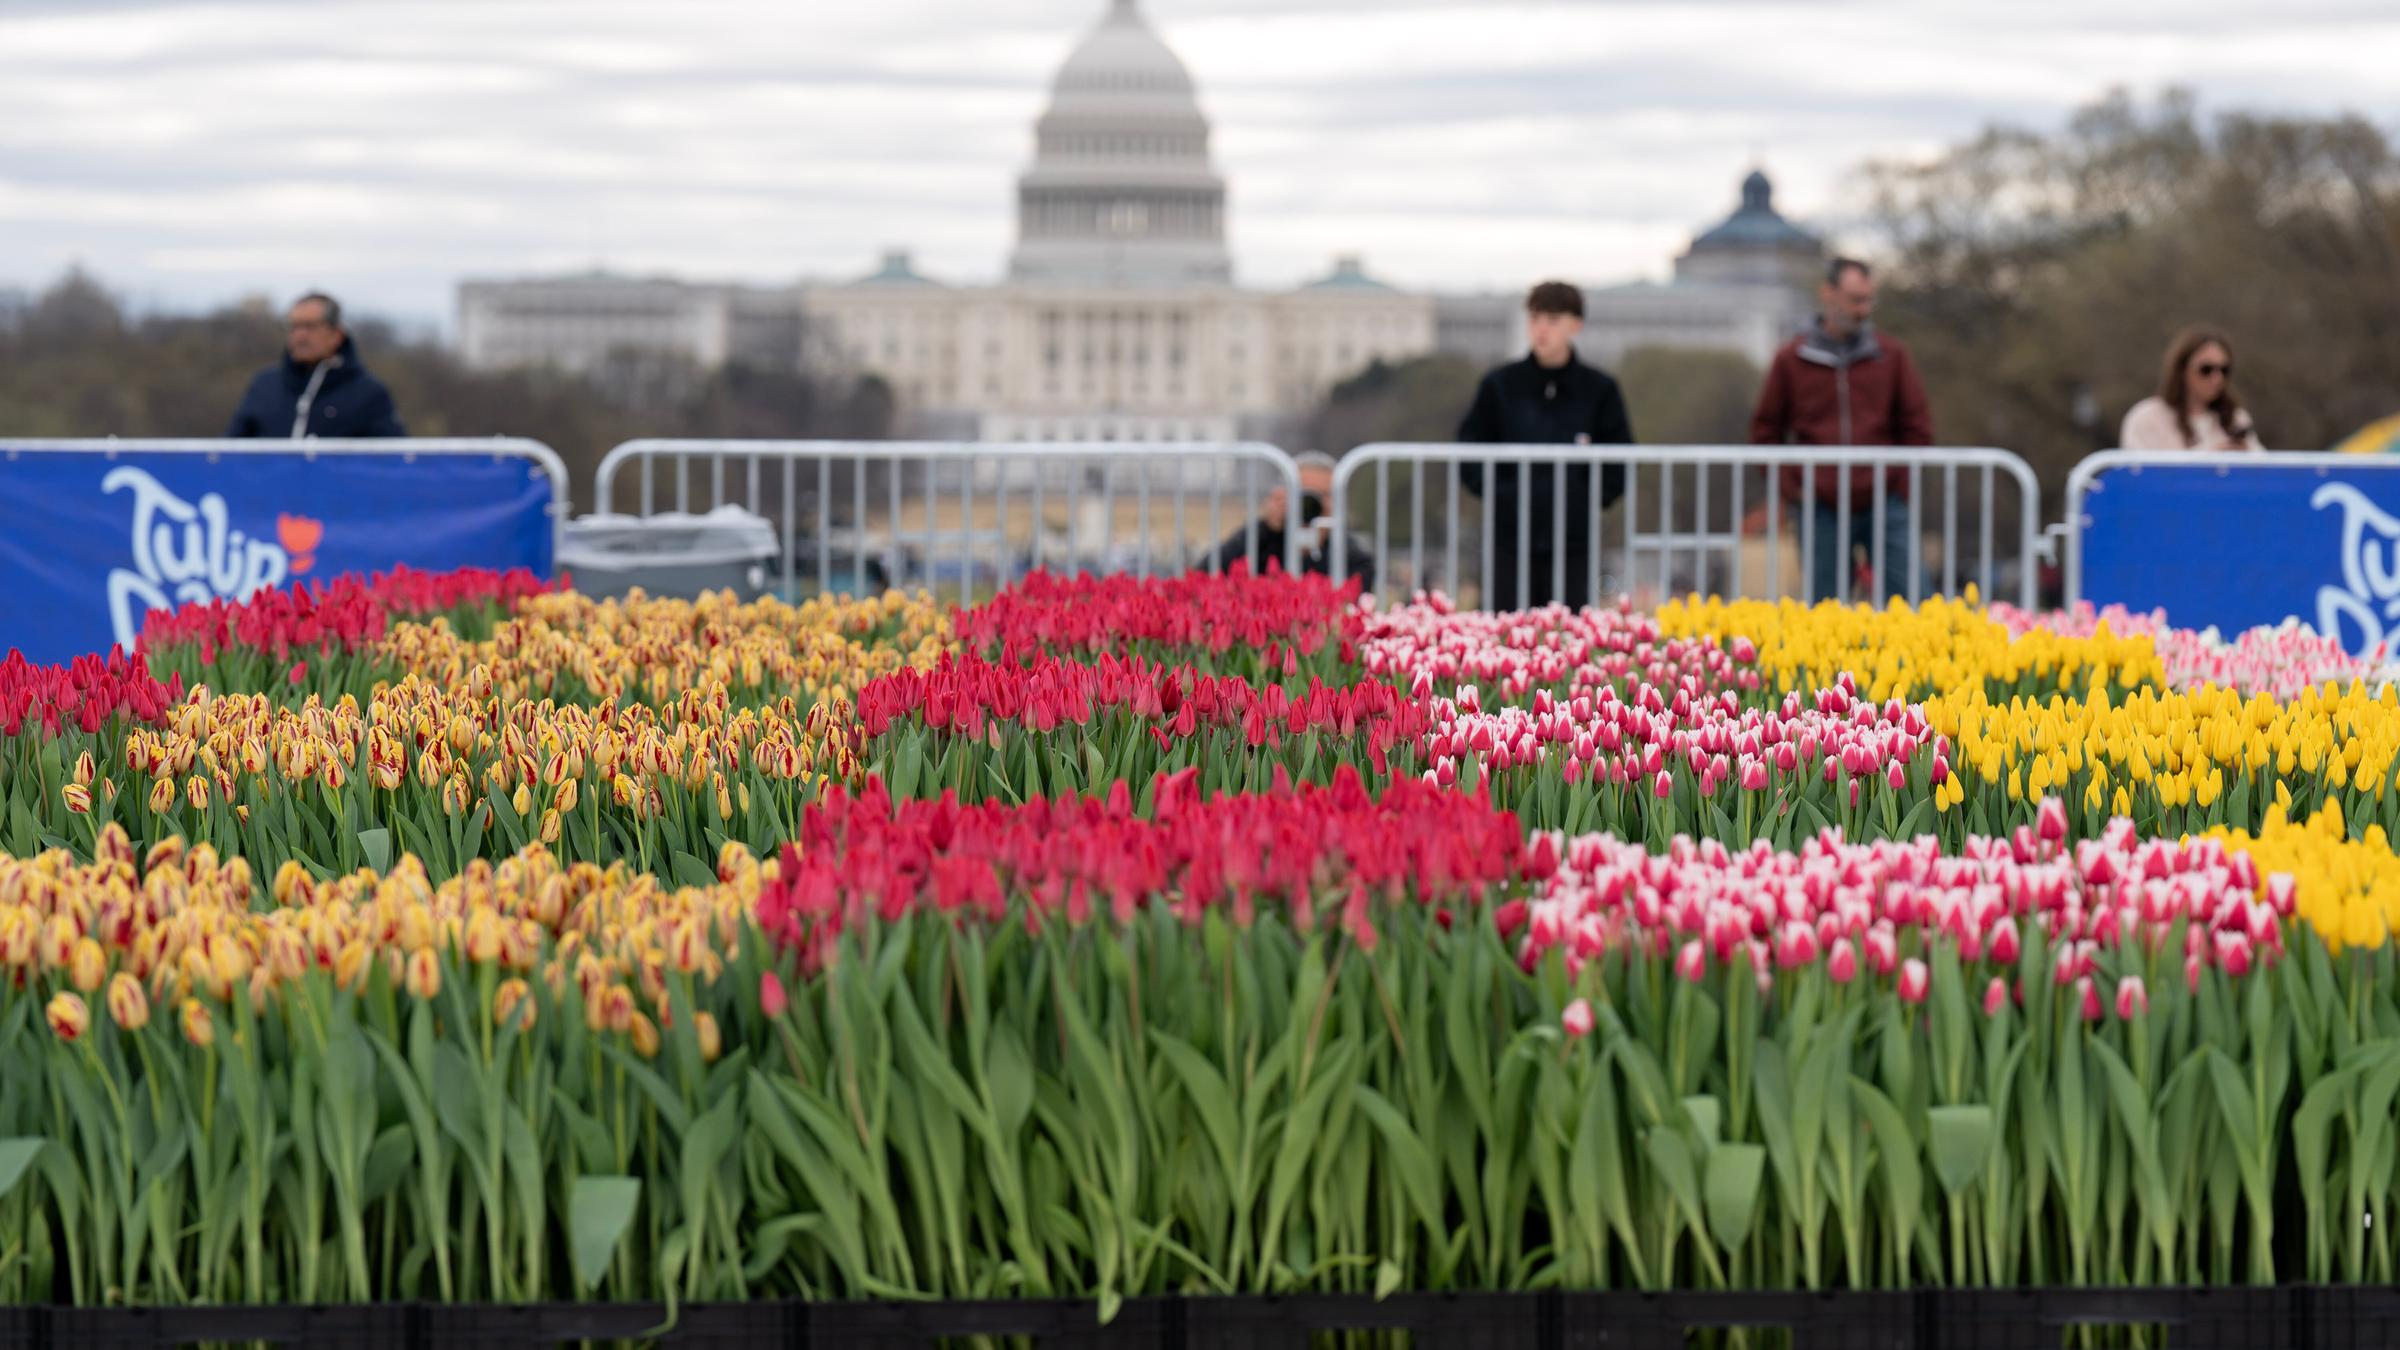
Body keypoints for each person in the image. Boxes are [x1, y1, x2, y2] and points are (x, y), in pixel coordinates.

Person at [1749, 257, 1933, 603]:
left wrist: (1898, 482)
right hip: (1820, 506)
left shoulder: (1891, 355)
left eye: (1868, 299)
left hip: (1884, 500)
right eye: (1855, 299)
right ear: (1828, 294)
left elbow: (1917, 426)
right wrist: (1796, 489)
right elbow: (1765, 431)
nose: (1863, 309)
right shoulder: (1792, 358)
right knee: (1826, 607)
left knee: (1912, 599)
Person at [1455, 280, 1634, 611]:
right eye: (1535, 319)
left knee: (1568, 636)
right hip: (1508, 536)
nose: (1541, 330)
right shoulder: (1499, 385)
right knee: (1504, 635)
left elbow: (1619, 456)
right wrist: (1500, 493)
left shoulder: (1599, 389)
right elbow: (1470, 448)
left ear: (1574, 325)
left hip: (1573, 539)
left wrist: (1586, 498)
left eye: (1552, 320)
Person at [226, 293, 405, 438]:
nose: (300, 335)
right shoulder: (264, 386)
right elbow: (231, 454)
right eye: (294, 326)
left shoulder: (369, 394)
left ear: (336, 334)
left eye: (310, 326)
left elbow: (392, 462)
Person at [1207, 451, 1376, 593]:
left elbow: (1359, 591)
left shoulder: (1351, 555)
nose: (1311, 501)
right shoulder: (1260, 542)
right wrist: (1266, 527)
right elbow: (1207, 571)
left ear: (1339, 500)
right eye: (1303, 493)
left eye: (1323, 494)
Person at [2119, 326, 2263, 451]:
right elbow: (2140, 476)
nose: (2217, 378)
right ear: (2182, 369)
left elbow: (2264, 470)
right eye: (2206, 369)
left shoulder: (2236, 418)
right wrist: (2209, 458)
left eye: (2224, 370)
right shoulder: (2146, 418)